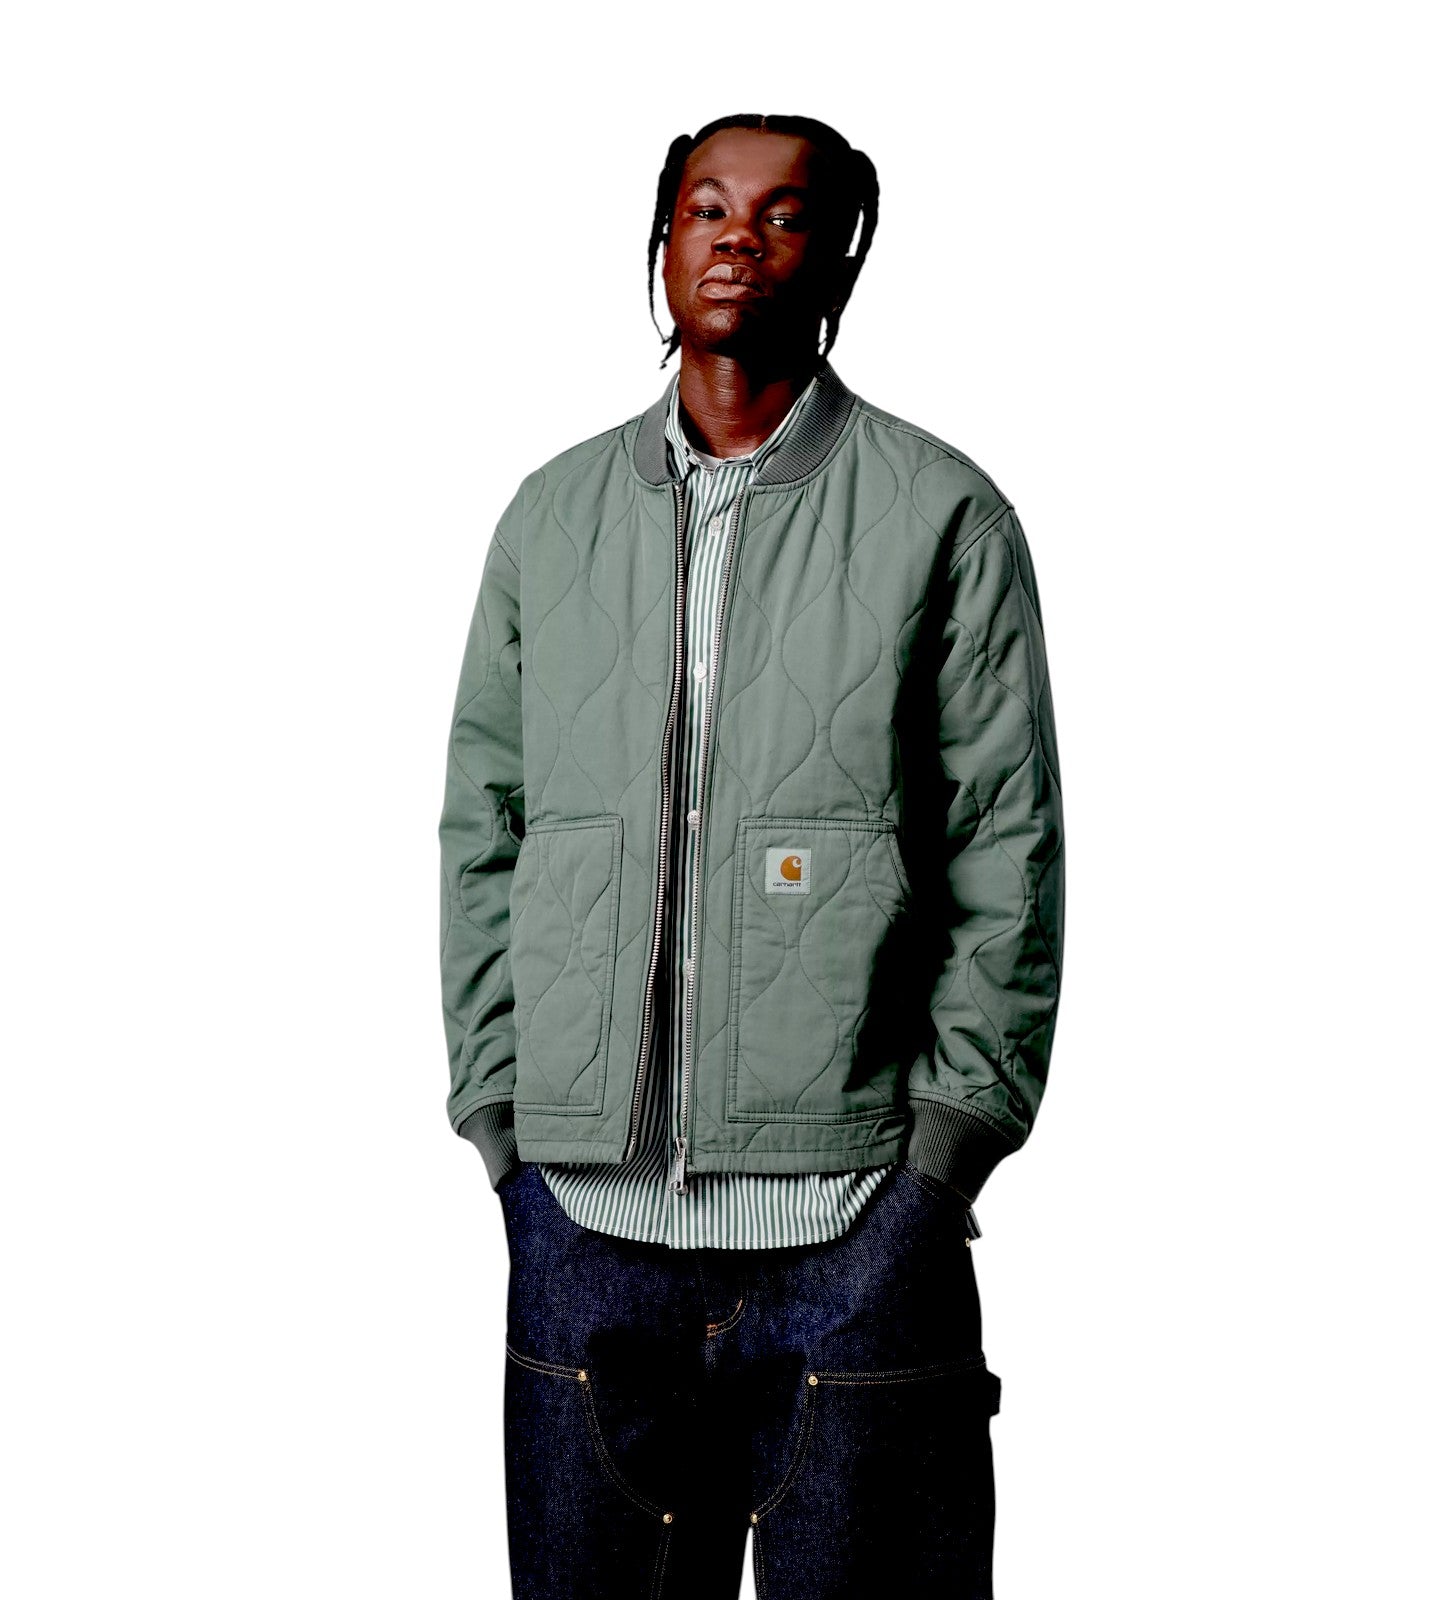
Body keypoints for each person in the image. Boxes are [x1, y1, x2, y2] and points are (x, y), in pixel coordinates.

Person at [438, 111, 1065, 1598]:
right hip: (585, 1222)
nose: (739, 238)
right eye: (707, 207)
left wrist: (937, 1168)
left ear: (841, 256)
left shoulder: (942, 513)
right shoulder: (552, 516)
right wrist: (505, 1127)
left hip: (855, 1225)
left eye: (785, 215)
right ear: (663, 242)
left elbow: (1007, 848)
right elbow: (485, 827)